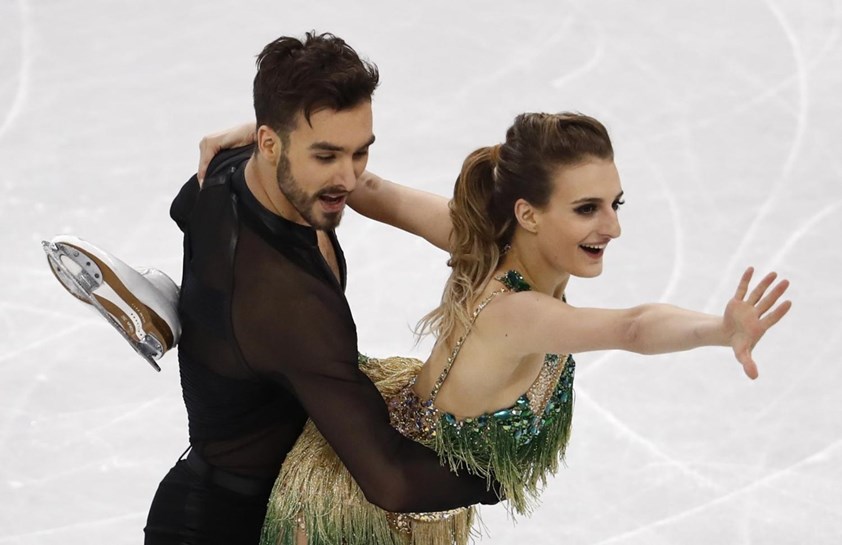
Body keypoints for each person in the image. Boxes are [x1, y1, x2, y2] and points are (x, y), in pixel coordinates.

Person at [46, 111, 791, 545]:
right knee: (296, 353)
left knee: (299, 361)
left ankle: (192, 312)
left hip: (401, 408)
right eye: (588, 209)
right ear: (529, 214)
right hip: (394, 491)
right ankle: (203, 319)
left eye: (615, 202)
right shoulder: (522, 311)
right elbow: (631, 326)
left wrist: (267, 136)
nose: (612, 226)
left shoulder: (478, 240)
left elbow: (362, 185)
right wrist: (716, 330)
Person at [44, 32, 501, 545]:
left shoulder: (224, 170)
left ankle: (182, 311)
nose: (349, 179)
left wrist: (213, 319)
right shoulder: (289, 304)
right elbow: (390, 481)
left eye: (360, 154)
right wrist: (495, 476)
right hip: (230, 527)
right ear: (270, 143)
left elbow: (183, 209)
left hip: (238, 491)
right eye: (326, 156)